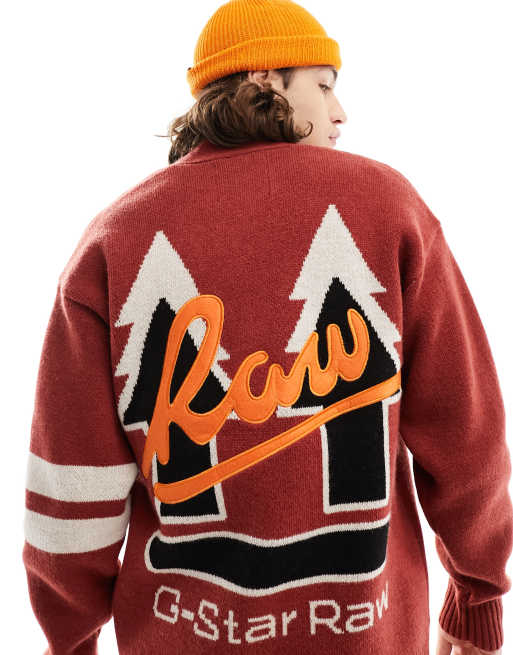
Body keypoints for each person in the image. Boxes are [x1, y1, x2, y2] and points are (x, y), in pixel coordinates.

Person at [22, 1, 512, 654]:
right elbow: (465, 432)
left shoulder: (113, 239)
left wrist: (69, 637)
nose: (341, 112)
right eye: (324, 84)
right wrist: (476, 592)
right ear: (263, 79)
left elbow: (73, 482)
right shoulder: (388, 207)